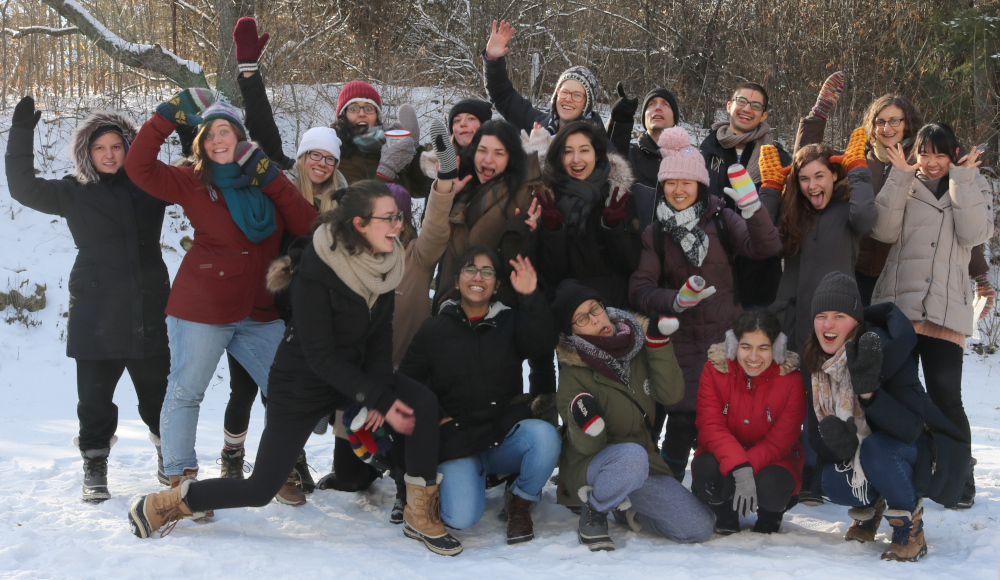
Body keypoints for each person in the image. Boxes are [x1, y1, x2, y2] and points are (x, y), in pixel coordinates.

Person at [128, 181, 462, 556]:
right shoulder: (316, 270)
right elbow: (320, 357)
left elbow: (380, 337)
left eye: (398, 216)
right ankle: (171, 502)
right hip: (302, 383)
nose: (398, 225)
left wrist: (379, 392)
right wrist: (378, 398)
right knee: (260, 489)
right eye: (388, 218)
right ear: (359, 224)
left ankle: (419, 513)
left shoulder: (386, 262)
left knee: (422, 400)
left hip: (353, 376)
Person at [124, 88, 317, 492]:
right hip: (203, 308)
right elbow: (138, 168)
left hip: (259, 309)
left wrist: (270, 178)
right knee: (186, 391)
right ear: (201, 145)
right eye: (208, 134)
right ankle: (181, 482)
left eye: (224, 130)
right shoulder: (193, 180)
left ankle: (276, 469)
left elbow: (306, 225)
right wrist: (165, 117)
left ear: (240, 137)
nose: (216, 139)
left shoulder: (267, 179)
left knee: (288, 391)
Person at [6, 97, 170, 502]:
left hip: (149, 308)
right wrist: (21, 134)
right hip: (97, 311)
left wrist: (184, 127)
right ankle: (94, 465)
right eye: (99, 148)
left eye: (116, 146)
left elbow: (196, 177)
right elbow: (23, 187)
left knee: (159, 396)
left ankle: (171, 454)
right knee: (94, 400)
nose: (109, 155)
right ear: (87, 153)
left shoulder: (151, 184)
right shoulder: (72, 192)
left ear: (129, 149)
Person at [629, 126, 781, 482]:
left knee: (722, 429)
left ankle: (714, 493)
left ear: (700, 185)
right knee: (680, 426)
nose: (678, 190)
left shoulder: (723, 220)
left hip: (724, 345)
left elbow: (766, 247)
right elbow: (640, 290)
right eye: (671, 183)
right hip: (680, 347)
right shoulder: (656, 233)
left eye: (687, 182)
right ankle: (669, 494)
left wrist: (752, 207)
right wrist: (676, 299)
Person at [868, 122, 994, 508]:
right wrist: (900, 176)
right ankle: (889, 475)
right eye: (925, 153)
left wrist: (963, 179)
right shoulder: (903, 181)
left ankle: (959, 480)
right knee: (895, 396)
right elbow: (882, 230)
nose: (932, 161)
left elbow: (974, 234)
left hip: (945, 312)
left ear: (953, 154)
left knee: (946, 399)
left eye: (940, 154)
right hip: (900, 311)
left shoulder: (973, 184)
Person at [400, 247, 560, 545]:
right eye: (470, 270)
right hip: (458, 441)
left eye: (487, 272)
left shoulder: (510, 321)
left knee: (545, 437)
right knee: (460, 517)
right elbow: (409, 382)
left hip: (502, 435)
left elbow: (542, 343)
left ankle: (520, 503)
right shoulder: (434, 329)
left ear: (496, 285)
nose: (478, 277)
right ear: (457, 280)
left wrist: (530, 296)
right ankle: (461, 482)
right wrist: (438, 417)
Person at [552, 280, 715, 551]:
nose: (595, 319)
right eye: (582, 318)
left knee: (698, 527)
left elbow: (671, 395)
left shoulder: (636, 345)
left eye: (595, 308)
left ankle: (626, 512)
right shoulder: (574, 372)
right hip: (592, 465)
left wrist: (658, 344)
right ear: (571, 332)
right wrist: (588, 422)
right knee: (632, 457)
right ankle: (595, 510)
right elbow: (586, 446)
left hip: (641, 462)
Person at [803, 272, 939, 562]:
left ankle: (910, 528)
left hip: (904, 452)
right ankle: (873, 506)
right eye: (821, 316)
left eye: (839, 316)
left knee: (877, 449)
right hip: (864, 456)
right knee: (832, 481)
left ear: (856, 321)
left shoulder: (887, 350)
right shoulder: (816, 364)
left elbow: (912, 429)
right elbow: (815, 434)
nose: (828, 325)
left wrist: (869, 395)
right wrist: (842, 446)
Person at [232, 18, 424, 192]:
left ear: (378, 116)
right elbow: (270, 146)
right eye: (353, 108)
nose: (362, 114)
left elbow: (424, 187)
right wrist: (249, 73)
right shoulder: (329, 153)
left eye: (369, 108)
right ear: (342, 115)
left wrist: (415, 153)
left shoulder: (396, 151)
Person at [691, 309, 805, 535]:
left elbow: (781, 440)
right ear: (733, 345)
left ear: (777, 348)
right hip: (721, 453)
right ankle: (724, 514)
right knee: (707, 471)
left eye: (763, 348)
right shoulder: (714, 370)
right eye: (746, 347)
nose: (753, 357)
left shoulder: (791, 380)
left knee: (772, 485)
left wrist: (745, 467)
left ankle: (771, 516)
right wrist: (738, 467)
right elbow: (710, 426)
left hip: (773, 459)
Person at [700, 82, 792, 308]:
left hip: (759, 273)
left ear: (764, 115)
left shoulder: (778, 158)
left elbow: (789, 211)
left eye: (756, 105)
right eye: (742, 101)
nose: (747, 109)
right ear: (729, 106)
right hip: (711, 268)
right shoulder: (705, 152)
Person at [535, 120, 641, 309]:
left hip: (614, 304)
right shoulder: (548, 199)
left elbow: (630, 264)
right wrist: (554, 232)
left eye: (584, 150)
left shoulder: (617, 196)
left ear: (597, 154)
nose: (576, 159)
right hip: (567, 305)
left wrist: (614, 229)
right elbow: (549, 274)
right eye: (568, 152)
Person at [483, 20, 608, 138]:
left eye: (577, 95)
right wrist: (493, 60)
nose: (568, 99)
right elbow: (503, 97)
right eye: (564, 92)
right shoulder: (538, 126)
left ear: (588, 103)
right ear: (556, 94)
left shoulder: (598, 144)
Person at [606, 84, 682, 229]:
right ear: (644, 118)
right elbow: (606, 163)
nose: (658, 108)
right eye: (651, 104)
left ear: (674, 119)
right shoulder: (628, 155)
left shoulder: (689, 163)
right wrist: (618, 123)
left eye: (665, 104)